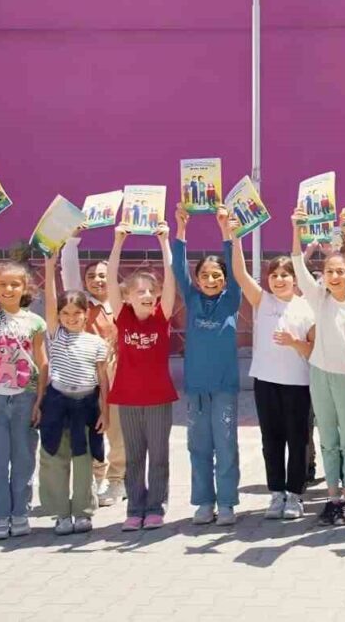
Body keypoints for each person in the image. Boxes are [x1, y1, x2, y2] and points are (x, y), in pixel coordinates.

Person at [0, 216, 47, 540]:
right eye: (2, 284)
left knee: (24, 459)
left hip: (26, 398)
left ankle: (20, 514)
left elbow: (42, 362)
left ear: (25, 288)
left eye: (15, 284)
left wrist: (40, 400)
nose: (8, 289)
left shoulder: (35, 323)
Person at [231, 223, 315, 520]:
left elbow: (312, 350)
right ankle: (277, 493)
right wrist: (235, 237)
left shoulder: (307, 307)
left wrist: (294, 343)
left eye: (285, 275)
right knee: (271, 440)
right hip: (266, 382)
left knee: (298, 439)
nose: (279, 280)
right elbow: (240, 273)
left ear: (295, 279)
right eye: (274, 275)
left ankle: (295, 494)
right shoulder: (262, 300)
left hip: (298, 384)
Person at [292, 211, 345, 526]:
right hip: (319, 375)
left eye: (340, 271)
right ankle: (333, 497)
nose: (334, 276)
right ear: (323, 276)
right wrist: (296, 228)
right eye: (329, 271)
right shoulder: (319, 300)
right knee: (327, 440)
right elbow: (297, 264)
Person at [172, 205, 243, 527]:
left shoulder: (231, 300)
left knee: (226, 446)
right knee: (198, 446)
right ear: (197, 280)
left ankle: (226, 503)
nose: (211, 280)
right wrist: (181, 228)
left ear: (225, 280)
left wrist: (226, 231)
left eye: (217, 275)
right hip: (197, 388)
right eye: (205, 275)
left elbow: (236, 268)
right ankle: (204, 502)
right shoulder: (192, 299)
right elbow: (178, 269)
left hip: (224, 388)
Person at [106, 221, 178, 532]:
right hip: (128, 399)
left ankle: (155, 507)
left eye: (151, 291)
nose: (147, 295)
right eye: (139, 291)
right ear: (127, 297)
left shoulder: (162, 317)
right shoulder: (122, 317)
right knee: (134, 457)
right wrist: (118, 242)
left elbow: (172, 278)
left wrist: (164, 241)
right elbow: (111, 279)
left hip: (159, 399)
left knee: (158, 456)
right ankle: (135, 508)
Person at [37, 250, 110, 535]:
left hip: (86, 406)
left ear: (86, 314)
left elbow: (102, 379)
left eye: (77, 313)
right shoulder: (55, 335)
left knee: (83, 461)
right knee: (56, 458)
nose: (71, 318)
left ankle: (83, 512)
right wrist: (49, 265)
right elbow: (50, 300)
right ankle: (61, 514)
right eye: (65, 313)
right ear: (58, 317)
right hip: (57, 405)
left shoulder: (96, 343)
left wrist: (105, 411)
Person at [61, 235, 123, 506]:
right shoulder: (82, 306)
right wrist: (72, 241)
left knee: (118, 430)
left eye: (102, 275)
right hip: (88, 376)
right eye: (91, 276)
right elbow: (68, 273)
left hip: (118, 375)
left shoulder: (122, 305)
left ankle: (118, 479)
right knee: (93, 428)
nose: (97, 280)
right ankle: (98, 477)